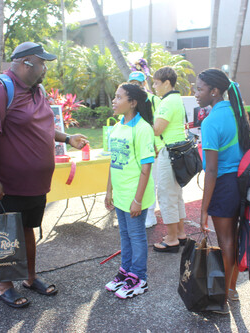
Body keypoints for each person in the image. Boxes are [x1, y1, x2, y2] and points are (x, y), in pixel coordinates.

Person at [0, 41, 88, 308]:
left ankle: (30, 278)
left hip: (35, 184)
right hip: (6, 183)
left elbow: (43, 126)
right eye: (42, 62)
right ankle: (3, 286)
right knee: (4, 234)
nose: (45, 68)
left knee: (27, 230)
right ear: (26, 63)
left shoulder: (38, 90)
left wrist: (67, 138)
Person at [195, 68, 250, 315]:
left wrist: (203, 209)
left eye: (199, 89)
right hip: (242, 183)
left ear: (214, 91)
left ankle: (224, 296)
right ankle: (232, 290)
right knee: (235, 237)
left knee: (226, 240)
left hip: (223, 185)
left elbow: (211, 171)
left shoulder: (210, 122)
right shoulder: (237, 112)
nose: (196, 94)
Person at [104, 83, 155, 299]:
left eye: (118, 97)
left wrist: (137, 200)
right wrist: (108, 192)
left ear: (132, 102)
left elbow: (146, 167)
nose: (114, 101)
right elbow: (113, 162)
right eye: (114, 97)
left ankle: (139, 278)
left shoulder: (143, 128)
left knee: (136, 236)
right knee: (124, 235)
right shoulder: (117, 127)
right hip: (121, 195)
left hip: (136, 196)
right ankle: (126, 272)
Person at [151, 66, 187, 253]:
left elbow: (157, 129)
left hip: (169, 152)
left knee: (166, 195)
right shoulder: (175, 99)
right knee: (175, 195)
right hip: (178, 151)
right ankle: (179, 233)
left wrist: (142, 125)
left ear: (167, 83)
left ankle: (172, 238)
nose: (154, 86)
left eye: (156, 83)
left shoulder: (166, 103)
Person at [128, 70, 161, 228]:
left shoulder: (153, 99)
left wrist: (155, 144)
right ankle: (138, 211)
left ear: (144, 84)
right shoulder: (128, 102)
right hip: (133, 147)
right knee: (137, 180)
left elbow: (157, 125)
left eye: (138, 83)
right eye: (132, 83)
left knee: (150, 181)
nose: (136, 86)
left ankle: (150, 215)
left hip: (151, 146)